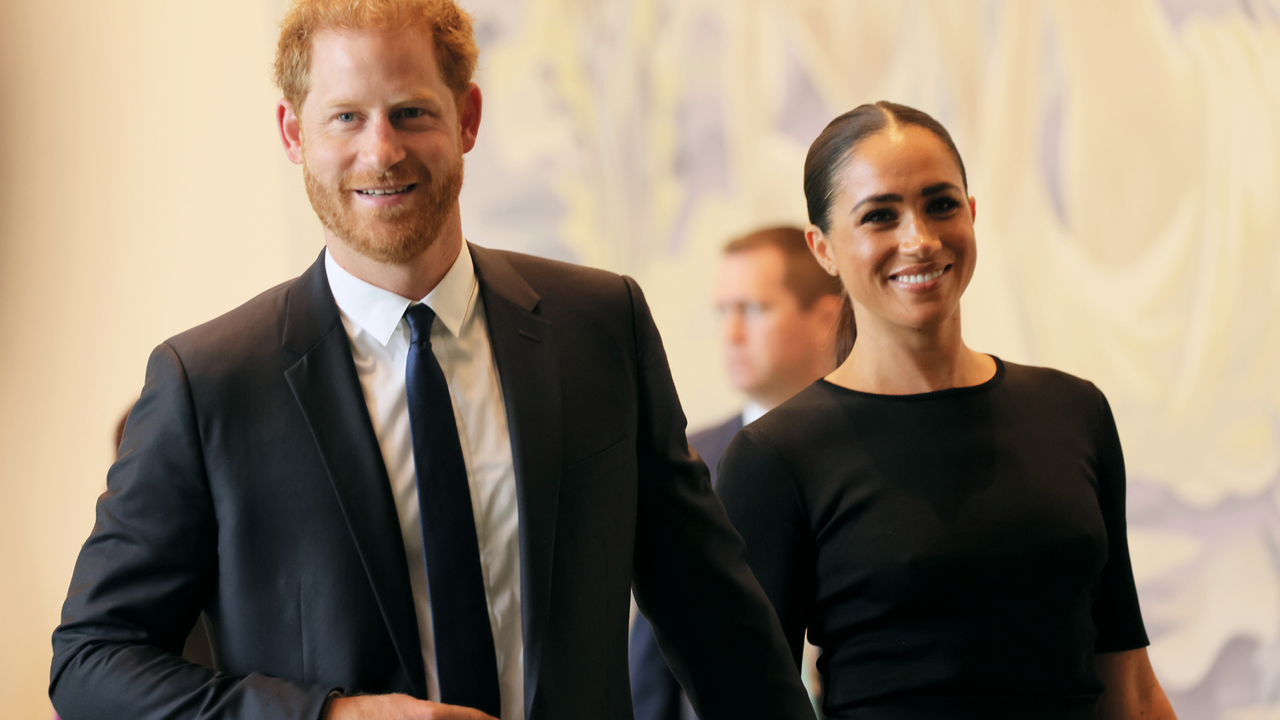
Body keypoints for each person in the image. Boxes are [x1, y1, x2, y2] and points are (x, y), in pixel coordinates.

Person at [48, 2, 817, 719]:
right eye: (344, 117)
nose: (381, 152)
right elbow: (89, 660)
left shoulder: (601, 325)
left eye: (411, 113)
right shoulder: (208, 383)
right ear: (293, 134)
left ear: (468, 117)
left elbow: (715, 618)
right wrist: (331, 715)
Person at [715, 101, 1179, 719]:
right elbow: (749, 705)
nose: (920, 239)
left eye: (941, 204)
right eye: (880, 215)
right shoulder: (776, 456)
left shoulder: (1073, 411)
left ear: (973, 212)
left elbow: (1131, 684)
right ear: (823, 248)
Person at [629, 227, 841, 720]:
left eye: (753, 309)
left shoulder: (874, 452)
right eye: (723, 312)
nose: (731, 334)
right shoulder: (685, 459)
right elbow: (657, 647)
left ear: (827, 318)